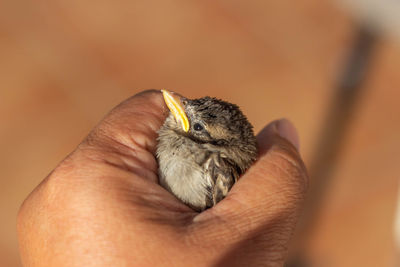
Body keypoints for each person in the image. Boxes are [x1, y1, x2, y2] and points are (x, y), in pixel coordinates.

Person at [17, 90, 308, 266]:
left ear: (208, 140)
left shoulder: (215, 166)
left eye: (195, 123)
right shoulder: (174, 135)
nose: (182, 106)